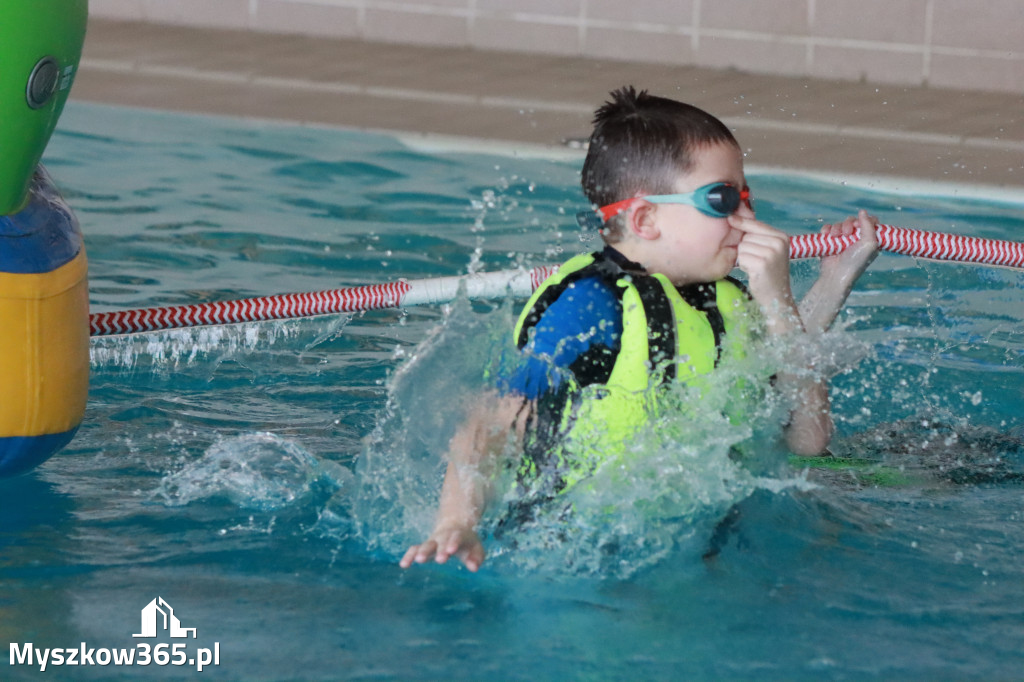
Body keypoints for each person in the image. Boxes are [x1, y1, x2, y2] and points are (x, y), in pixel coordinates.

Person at [400, 86, 879, 572]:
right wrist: (456, 524)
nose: (748, 218)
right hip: (579, 555)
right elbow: (488, 423)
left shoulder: (725, 299)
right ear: (647, 218)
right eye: (723, 199)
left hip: (700, 543)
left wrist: (830, 279)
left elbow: (806, 436)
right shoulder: (591, 305)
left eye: (747, 196)